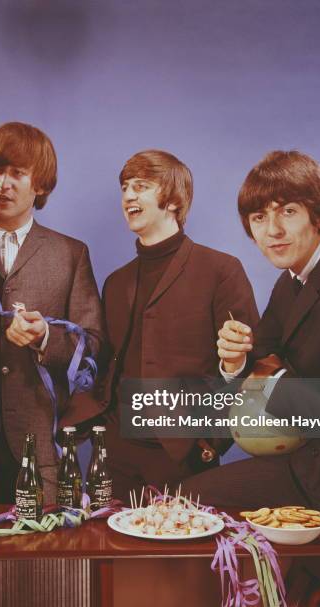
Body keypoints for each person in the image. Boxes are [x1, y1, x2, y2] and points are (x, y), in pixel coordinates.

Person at [183, 150, 320, 524]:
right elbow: (263, 355)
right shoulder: (294, 277)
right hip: (306, 457)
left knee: (192, 502)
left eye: (287, 211)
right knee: (186, 494)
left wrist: (269, 381)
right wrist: (234, 362)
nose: (272, 230)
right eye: (259, 217)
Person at [65, 149, 258, 501]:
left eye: (141, 186)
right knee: (106, 555)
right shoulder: (116, 282)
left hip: (182, 457)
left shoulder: (221, 271)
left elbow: (248, 371)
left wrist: (207, 443)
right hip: (114, 454)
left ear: (172, 199)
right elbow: (106, 362)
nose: (128, 196)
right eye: (125, 187)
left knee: (180, 557)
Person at [0, 121, 103, 504]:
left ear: (40, 184)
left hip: (42, 446)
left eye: (18, 174)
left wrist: (46, 336)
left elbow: (93, 344)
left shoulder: (70, 254)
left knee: (49, 562)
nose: (3, 183)